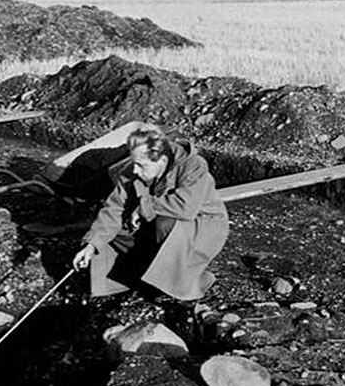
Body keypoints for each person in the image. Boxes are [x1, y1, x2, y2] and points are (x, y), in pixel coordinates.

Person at [72, 123, 229, 307]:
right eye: (134, 162)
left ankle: (177, 285)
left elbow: (186, 207)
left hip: (202, 227)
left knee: (165, 224)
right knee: (116, 232)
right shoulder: (134, 171)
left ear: (161, 161)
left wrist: (143, 207)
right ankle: (143, 276)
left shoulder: (194, 166)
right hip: (158, 223)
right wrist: (92, 244)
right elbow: (114, 209)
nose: (135, 170)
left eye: (141, 165)